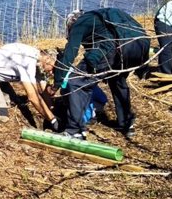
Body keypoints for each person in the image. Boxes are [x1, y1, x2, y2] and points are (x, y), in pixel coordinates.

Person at [53, 8, 149, 140]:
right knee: (117, 80)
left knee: (75, 82)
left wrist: (57, 82)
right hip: (139, 46)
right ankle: (127, 124)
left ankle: (74, 131)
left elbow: (70, 53)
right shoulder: (100, 17)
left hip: (114, 47)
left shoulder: (80, 23)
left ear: (71, 24)